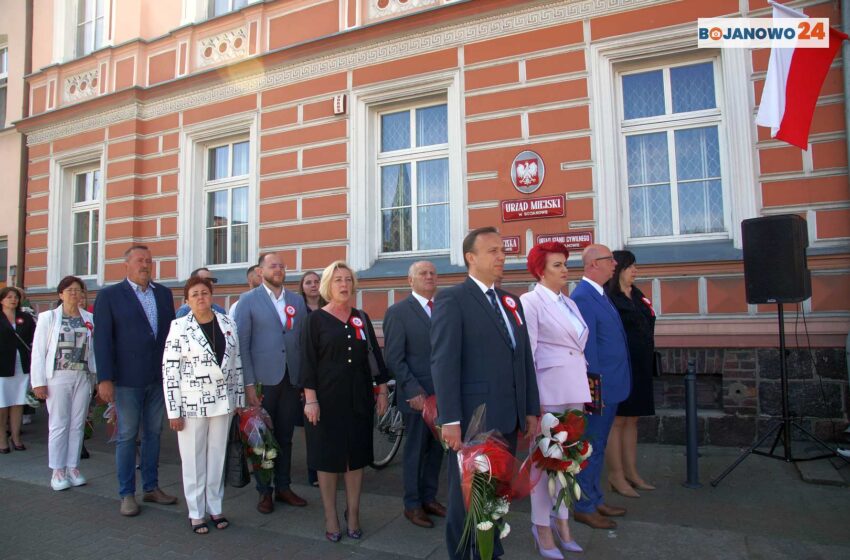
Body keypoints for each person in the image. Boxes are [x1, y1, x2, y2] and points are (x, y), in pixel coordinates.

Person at [431, 227, 540, 560]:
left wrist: (531, 409)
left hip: (507, 417)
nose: (502, 256)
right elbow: (444, 362)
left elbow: (523, 359)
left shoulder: (511, 300)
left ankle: (489, 551)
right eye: (493, 251)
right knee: (467, 501)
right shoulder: (453, 299)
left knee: (496, 497)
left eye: (503, 250)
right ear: (471, 258)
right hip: (473, 420)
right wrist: (449, 419)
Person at [301, 261, 390, 542]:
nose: (344, 284)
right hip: (325, 400)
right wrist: (310, 400)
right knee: (328, 460)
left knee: (356, 458)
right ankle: (330, 516)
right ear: (329, 285)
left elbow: (374, 357)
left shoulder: (361, 317)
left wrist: (383, 390)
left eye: (348, 280)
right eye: (338, 279)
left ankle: (353, 514)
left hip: (358, 398)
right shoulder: (315, 319)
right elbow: (307, 362)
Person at [94, 245, 178, 516]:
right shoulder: (109, 296)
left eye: (149, 261)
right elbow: (102, 340)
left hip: (157, 378)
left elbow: (170, 338)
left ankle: (151, 487)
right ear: (126, 264)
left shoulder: (164, 294)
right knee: (127, 436)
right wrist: (105, 378)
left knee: (154, 434)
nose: (146, 265)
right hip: (127, 381)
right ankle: (127, 493)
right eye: (140, 260)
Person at [520, 243, 590, 558]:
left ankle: (562, 520)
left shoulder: (568, 302)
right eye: (557, 265)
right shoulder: (531, 301)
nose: (565, 270)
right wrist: (532, 403)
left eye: (565, 263)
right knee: (544, 464)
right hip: (548, 393)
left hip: (573, 391)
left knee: (568, 463)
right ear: (540, 270)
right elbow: (529, 354)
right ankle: (542, 527)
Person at [163, 276, 245, 534]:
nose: (201, 297)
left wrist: (239, 398)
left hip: (223, 403)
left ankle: (215, 507)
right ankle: (196, 512)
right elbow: (170, 371)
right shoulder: (179, 327)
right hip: (192, 404)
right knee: (193, 459)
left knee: (217, 456)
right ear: (187, 300)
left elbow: (237, 363)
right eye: (195, 294)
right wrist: (173, 410)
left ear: (212, 296)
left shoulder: (227, 323)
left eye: (205, 293)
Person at [233, 252, 308, 514]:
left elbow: (302, 342)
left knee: (286, 436)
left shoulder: (297, 301)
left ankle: (284, 487)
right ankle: (265, 491)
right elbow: (241, 345)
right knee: (261, 438)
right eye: (272, 265)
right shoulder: (248, 301)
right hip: (263, 382)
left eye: (281, 266)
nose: (278, 269)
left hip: (290, 379)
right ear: (260, 271)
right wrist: (249, 384)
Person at [570, 244, 632, 530]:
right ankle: (583, 505)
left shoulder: (599, 293)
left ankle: (594, 498)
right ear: (594, 263)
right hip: (601, 389)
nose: (615, 265)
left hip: (613, 384)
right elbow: (588, 350)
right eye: (610, 260)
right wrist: (595, 393)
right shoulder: (583, 296)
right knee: (590, 447)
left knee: (599, 445)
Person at [383, 261, 446, 529]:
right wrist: (413, 391)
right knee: (416, 451)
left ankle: (429, 498)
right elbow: (394, 358)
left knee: (437, 451)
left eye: (433, 273)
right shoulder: (398, 312)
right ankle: (412, 504)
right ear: (411, 281)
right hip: (417, 397)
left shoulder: (445, 309)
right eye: (423, 273)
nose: (429, 276)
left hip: (444, 395)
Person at [30, 276, 97, 490]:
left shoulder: (89, 318)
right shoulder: (48, 318)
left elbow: (94, 350)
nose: (74, 294)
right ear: (61, 294)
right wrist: (38, 382)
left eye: (78, 290)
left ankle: (73, 467)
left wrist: (96, 377)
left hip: (83, 376)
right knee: (59, 423)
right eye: (70, 290)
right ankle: (57, 471)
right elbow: (39, 352)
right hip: (57, 375)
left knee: (78, 424)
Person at [604, 250, 656, 497]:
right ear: (619, 269)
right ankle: (616, 475)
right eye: (631, 266)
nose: (635, 270)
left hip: (641, 364)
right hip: (618, 367)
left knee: (632, 418)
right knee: (617, 420)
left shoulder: (637, 295)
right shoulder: (609, 296)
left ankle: (632, 472)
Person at [298, 270, 326, 487]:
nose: (313, 285)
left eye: (317, 281)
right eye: (308, 282)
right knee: (313, 427)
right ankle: (313, 472)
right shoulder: (298, 309)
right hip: (307, 371)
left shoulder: (329, 306)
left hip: (327, 372)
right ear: (302, 287)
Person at [0, 286, 36, 454]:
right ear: (2, 300)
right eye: (9, 297)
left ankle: (16, 437)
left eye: (15, 297)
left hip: (21, 365)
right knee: (2, 403)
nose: (13, 300)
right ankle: (2, 438)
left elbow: (33, 338)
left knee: (17, 402)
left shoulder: (26, 317)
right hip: (2, 365)